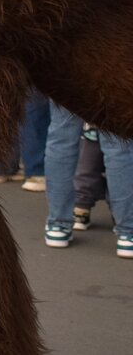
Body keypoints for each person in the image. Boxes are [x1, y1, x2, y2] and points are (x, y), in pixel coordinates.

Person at [43, 101, 133, 258]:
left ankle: (58, 225)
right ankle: (128, 232)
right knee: (118, 143)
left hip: (66, 77)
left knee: (61, 138)